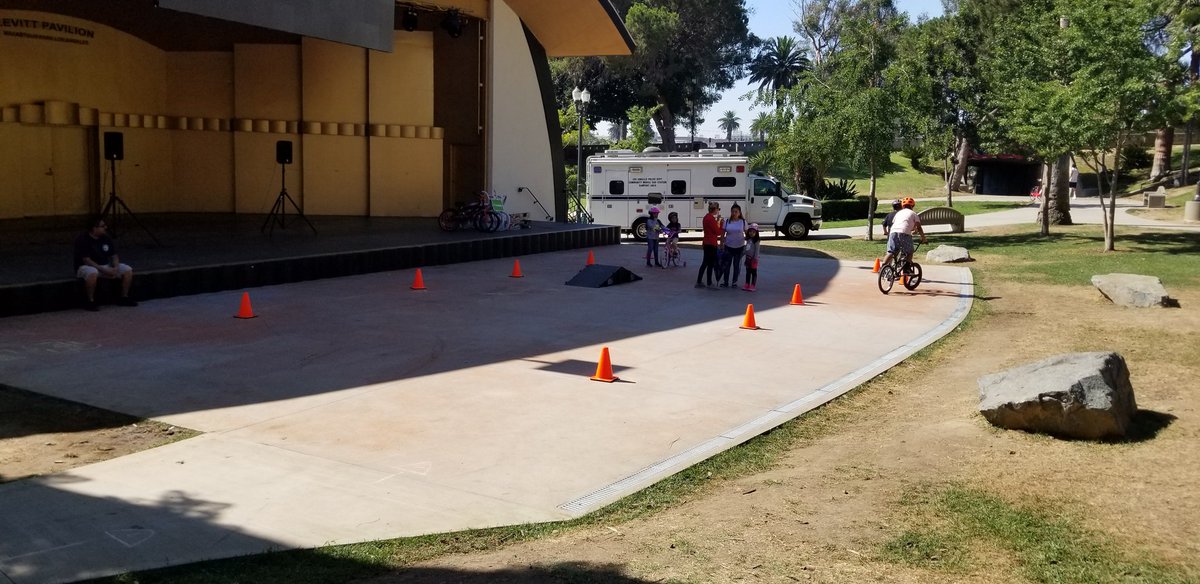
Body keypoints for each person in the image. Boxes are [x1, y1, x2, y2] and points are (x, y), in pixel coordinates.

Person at [74, 216, 137, 311]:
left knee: (127, 269)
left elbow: (114, 255)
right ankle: (90, 301)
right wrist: (104, 270)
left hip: (105, 265)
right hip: (87, 266)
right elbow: (87, 260)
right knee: (92, 272)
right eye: (102, 226)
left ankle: (124, 297)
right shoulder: (83, 239)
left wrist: (115, 267)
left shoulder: (105, 238)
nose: (105, 228)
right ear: (94, 228)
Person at [881, 197, 927, 269]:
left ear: (902, 205)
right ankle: (906, 269)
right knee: (909, 252)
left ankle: (883, 266)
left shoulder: (898, 213)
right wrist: (924, 239)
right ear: (913, 206)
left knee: (891, 251)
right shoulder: (914, 214)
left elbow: (898, 223)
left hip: (893, 232)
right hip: (905, 233)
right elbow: (919, 227)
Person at [719, 203, 747, 288]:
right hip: (728, 246)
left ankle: (734, 282)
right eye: (732, 211)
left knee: (736, 265)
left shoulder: (743, 222)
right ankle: (725, 281)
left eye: (736, 211)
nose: (734, 213)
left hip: (739, 247)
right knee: (727, 264)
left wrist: (750, 245)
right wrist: (721, 244)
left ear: (739, 212)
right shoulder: (727, 221)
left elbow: (747, 233)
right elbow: (722, 234)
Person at [695, 201, 722, 288]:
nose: (718, 211)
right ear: (715, 209)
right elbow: (717, 232)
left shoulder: (706, 217)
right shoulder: (711, 219)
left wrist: (717, 221)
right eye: (718, 209)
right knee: (710, 264)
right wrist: (721, 224)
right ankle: (709, 283)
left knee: (705, 263)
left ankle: (699, 281)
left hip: (706, 242)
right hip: (711, 243)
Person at [742, 223, 761, 291]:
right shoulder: (748, 240)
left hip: (753, 259)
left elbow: (757, 250)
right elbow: (746, 248)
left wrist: (755, 258)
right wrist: (743, 254)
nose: (751, 233)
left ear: (756, 233)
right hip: (748, 258)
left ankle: (753, 285)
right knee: (748, 272)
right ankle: (747, 284)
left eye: (753, 232)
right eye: (750, 231)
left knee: (753, 272)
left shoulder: (756, 241)